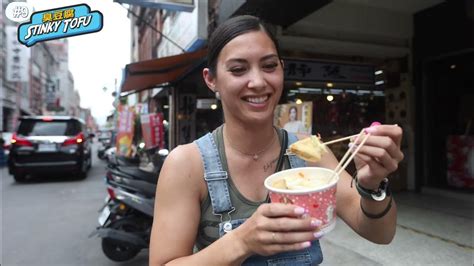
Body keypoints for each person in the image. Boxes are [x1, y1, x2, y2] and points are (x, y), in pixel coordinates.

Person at [150, 15, 404, 265]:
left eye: (270, 66)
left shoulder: (309, 151)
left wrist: (372, 185)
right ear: (211, 79)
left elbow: (380, 234)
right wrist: (241, 242)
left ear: (282, 68)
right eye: (238, 69)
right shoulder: (187, 164)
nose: (258, 82)